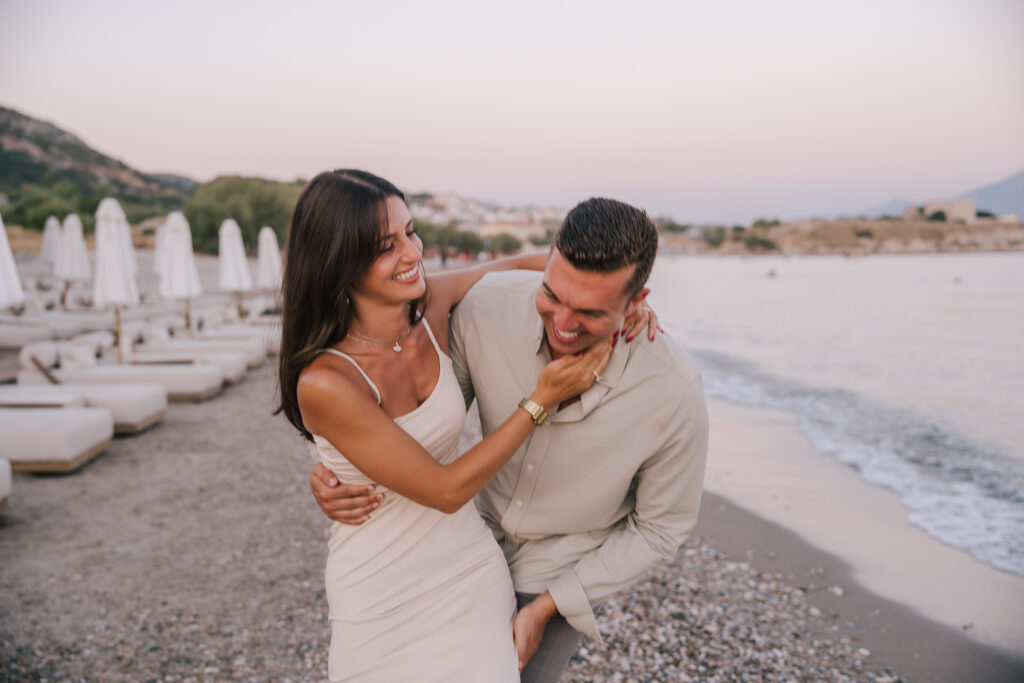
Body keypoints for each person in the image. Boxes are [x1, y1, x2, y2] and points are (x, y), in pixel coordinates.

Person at [312, 196, 710, 682]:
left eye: (589, 311)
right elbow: (417, 424)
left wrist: (550, 605)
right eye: (553, 295)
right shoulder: (483, 309)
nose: (563, 324)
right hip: (460, 545)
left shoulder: (672, 390)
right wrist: (340, 465)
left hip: (559, 573)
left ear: (636, 304)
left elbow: (661, 528)